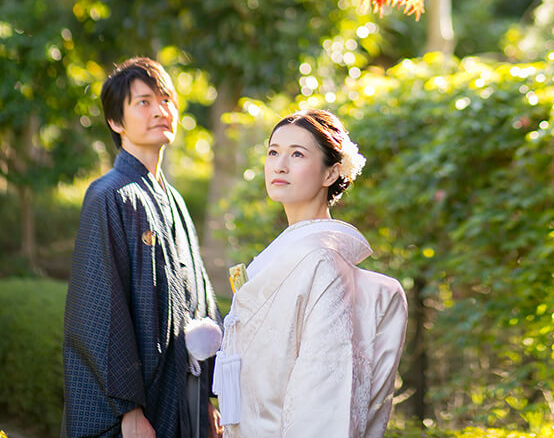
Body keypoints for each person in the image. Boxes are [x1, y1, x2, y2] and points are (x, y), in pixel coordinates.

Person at [213, 109, 408, 438]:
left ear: (331, 173)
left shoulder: (322, 261)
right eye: (273, 152)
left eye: (297, 154)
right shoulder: (287, 253)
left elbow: (323, 390)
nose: (280, 165)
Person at [61, 57, 223, 438]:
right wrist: (129, 410)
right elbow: (102, 310)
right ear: (116, 122)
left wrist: (212, 398)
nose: (160, 111)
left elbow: (199, 300)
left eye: (166, 100)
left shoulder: (175, 200)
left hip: (185, 392)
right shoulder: (109, 195)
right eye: (143, 102)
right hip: (139, 403)